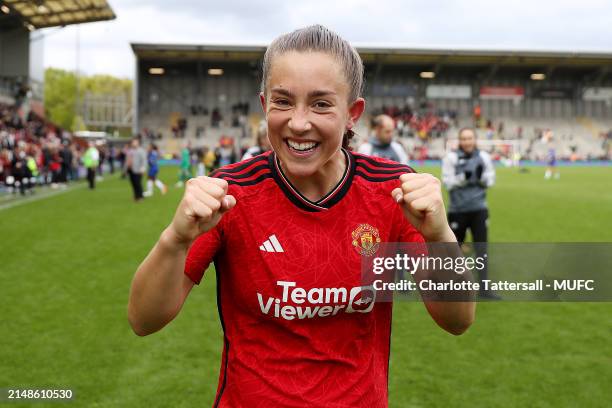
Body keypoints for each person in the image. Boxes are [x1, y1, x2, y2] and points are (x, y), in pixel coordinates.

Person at [128, 25, 475, 407]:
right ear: (264, 106)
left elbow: (457, 320)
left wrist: (441, 236)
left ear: (352, 114)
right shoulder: (230, 193)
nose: (298, 122)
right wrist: (175, 239)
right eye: (283, 101)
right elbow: (143, 320)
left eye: (321, 104)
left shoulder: (391, 191)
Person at [442, 127, 499, 300]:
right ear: (460, 141)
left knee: (482, 249)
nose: (467, 142)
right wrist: (463, 178)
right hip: (458, 210)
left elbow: (491, 179)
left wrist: (481, 178)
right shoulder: (451, 158)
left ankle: (484, 288)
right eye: (464, 138)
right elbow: (447, 182)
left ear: (475, 140)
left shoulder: (483, 157)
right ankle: (451, 288)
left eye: (470, 138)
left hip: (479, 209)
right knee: (454, 251)